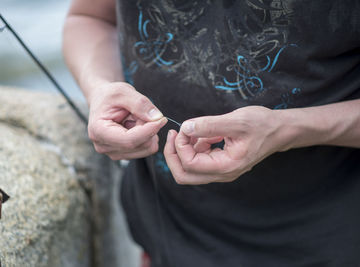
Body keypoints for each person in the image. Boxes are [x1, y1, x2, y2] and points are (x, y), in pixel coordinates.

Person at [63, 0, 360, 266]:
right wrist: (100, 87)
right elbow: (89, 17)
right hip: (163, 230)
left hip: (327, 241)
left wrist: (287, 130)